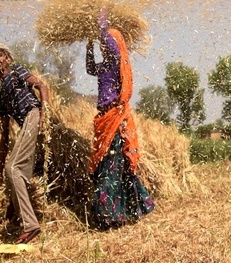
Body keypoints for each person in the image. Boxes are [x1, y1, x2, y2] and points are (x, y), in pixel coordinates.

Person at [86, 9, 154, 230]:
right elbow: (89, 69)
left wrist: (100, 18)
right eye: (102, 46)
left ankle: (111, 217)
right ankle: (127, 211)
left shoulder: (116, 62)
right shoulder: (104, 66)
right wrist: (89, 45)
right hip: (105, 119)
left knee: (110, 168)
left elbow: (110, 43)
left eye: (107, 44)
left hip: (115, 120)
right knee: (113, 167)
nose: (103, 47)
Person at [0, 42, 49, 244]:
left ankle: (30, 226)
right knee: (12, 171)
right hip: (25, 126)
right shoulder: (2, 96)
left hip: (33, 115)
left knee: (13, 169)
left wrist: (44, 114)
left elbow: (41, 85)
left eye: (0, 55)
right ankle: (13, 218)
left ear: (8, 59)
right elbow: (4, 136)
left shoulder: (17, 71)